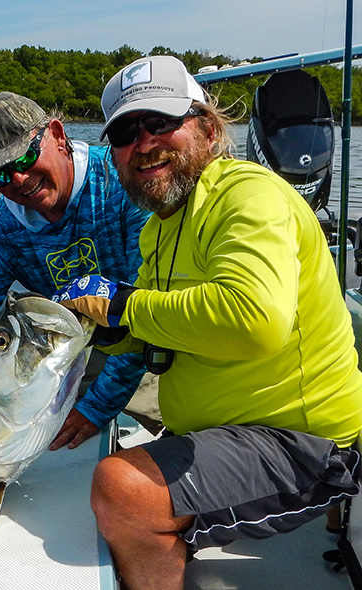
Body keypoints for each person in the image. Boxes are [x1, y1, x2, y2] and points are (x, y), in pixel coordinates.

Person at [54, 55, 362, 590]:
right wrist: (109, 333)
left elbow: (253, 319)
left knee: (119, 489)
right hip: (223, 430)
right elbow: (153, 328)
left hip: (307, 444)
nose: (144, 142)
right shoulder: (160, 229)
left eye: (161, 122)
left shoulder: (250, 194)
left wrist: (125, 306)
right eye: (126, 131)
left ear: (208, 126)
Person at [0, 91, 153, 449]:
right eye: (2, 175)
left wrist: (95, 410)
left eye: (25, 157)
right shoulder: (2, 226)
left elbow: (153, 301)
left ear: (57, 134)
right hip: (68, 352)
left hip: (154, 340)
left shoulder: (124, 184)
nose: (20, 179)